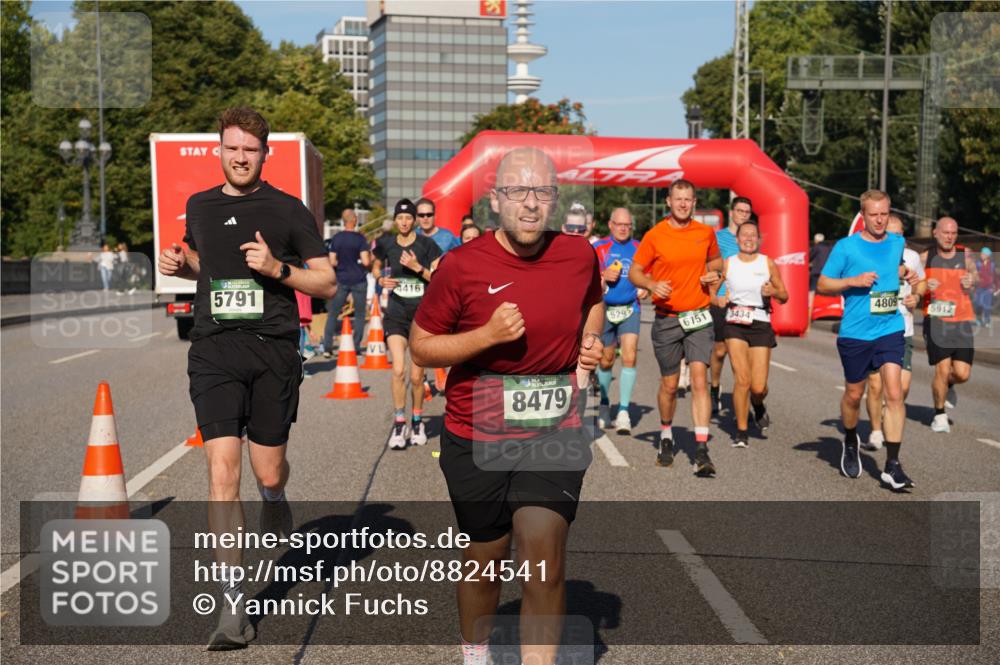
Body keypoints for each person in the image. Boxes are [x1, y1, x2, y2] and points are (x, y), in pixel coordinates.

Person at [410, 146, 604, 665]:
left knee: (543, 554)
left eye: (541, 192)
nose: (530, 204)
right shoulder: (461, 267)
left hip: (552, 428)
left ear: (555, 201)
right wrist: (485, 336)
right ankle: (476, 653)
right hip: (475, 432)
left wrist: (589, 341)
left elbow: (595, 300)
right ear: (495, 200)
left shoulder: (578, 255)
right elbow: (422, 345)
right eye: (517, 191)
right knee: (485, 560)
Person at [157, 107, 335, 649]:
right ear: (220, 149)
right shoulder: (200, 204)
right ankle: (232, 606)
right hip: (213, 348)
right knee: (221, 470)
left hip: (272, 351)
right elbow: (203, 265)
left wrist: (278, 269)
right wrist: (180, 264)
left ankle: (276, 498)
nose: (240, 157)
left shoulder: (288, 210)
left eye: (250, 150)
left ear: (265, 153)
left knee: (269, 469)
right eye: (232, 148)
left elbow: (325, 282)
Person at [817, 190, 919, 489]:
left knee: (895, 393)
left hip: (890, 327)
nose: (879, 220)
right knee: (853, 394)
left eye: (884, 214)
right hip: (856, 332)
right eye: (874, 214)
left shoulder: (897, 242)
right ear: (863, 215)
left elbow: (894, 268)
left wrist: (908, 275)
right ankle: (850, 439)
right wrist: (851, 281)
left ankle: (892, 464)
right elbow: (823, 284)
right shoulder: (846, 248)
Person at [628, 179, 723, 476]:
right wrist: (651, 283)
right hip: (667, 318)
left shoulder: (705, 232)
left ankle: (701, 448)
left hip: (698, 315)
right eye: (678, 199)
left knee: (698, 378)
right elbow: (634, 271)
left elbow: (717, 261)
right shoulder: (655, 235)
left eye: (688, 199)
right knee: (669, 385)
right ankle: (666, 434)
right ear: (668, 201)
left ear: (694, 202)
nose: (683, 204)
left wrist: (713, 275)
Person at [374, 198, 442, 449]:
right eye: (399, 218)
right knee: (398, 369)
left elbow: (438, 278)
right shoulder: (386, 243)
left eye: (408, 218)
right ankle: (400, 421)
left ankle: (417, 419)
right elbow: (376, 267)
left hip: (422, 316)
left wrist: (417, 267)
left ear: (414, 220)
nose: (403, 222)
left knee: (416, 376)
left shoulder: (427, 244)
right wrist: (381, 279)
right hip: (396, 313)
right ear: (395, 220)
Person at [721, 221, 788, 446]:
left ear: (758, 239)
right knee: (742, 379)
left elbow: (784, 295)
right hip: (734, 323)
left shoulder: (767, 263)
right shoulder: (728, 263)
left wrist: (773, 291)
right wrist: (719, 298)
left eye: (753, 235)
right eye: (744, 235)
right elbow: (712, 293)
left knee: (758, 387)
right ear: (737, 239)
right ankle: (741, 431)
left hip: (760, 322)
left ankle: (758, 405)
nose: (748, 239)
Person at [862, 215, 925, 451]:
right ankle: (877, 431)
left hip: (904, 329)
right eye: (891, 234)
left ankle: (889, 417)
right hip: (875, 329)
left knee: (902, 388)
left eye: (899, 235)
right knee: (876, 386)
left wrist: (916, 296)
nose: (895, 238)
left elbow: (921, 281)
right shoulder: (870, 255)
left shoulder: (912, 257)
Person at [921, 217, 977, 433]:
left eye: (953, 233)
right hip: (936, 320)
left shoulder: (965, 254)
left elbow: (976, 276)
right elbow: (913, 284)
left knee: (962, 374)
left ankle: (949, 386)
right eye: (945, 232)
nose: (950, 237)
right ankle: (939, 414)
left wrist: (971, 279)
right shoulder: (925, 257)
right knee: (942, 369)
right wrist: (925, 285)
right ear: (936, 233)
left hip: (961, 319)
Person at [593, 208, 646, 434]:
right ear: (611, 225)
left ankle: (623, 410)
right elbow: (586, 277)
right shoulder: (599, 248)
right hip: (604, 309)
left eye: (627, 225)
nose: (623, 228)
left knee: (630, 355)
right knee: (605, 361)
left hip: (630, 308)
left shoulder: (639, 248)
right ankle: (604, 404)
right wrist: (603, 277)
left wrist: (645, 287)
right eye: (619, 224)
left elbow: (649, 274)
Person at [710, 197, 752, 416]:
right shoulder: (718, 238)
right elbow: (710, 266)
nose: (743, 215)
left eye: (747, 212)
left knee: (741, 352)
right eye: (740, 210)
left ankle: (742, 396)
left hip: (744, 302)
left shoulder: (751, 238)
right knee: (719, 350)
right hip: (720, 299)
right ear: (731, 212)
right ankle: (714, 386)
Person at [322, 208, 371, 356]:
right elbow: (366, 261)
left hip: (341, 279)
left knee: (333, 313)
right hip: (359, 279)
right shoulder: (360, 239)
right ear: (354, 220)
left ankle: (328, 348)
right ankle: (355, 347)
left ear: (344, 221)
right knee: (360, 314)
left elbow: (332, 261)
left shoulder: (336, 238)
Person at [808, 232, 832, 315]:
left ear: (816, 240)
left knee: (811, 292)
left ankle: (809, 313)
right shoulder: (829, 248)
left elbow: (809, 257)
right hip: (827, 273)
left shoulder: (817, 247)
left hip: (817, 272)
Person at [973, 246, 997, 328]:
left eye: (983, 253)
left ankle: (987, 321)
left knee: (987, 305)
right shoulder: (977, 263)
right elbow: (974, 274)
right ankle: (978, 320)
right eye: (981, 253)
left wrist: (997, 287)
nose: (981, 255)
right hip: (979, 288)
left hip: (988, 288)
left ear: (988, 255)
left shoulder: (992, 265)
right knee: (978, 304)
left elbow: (995, 276)